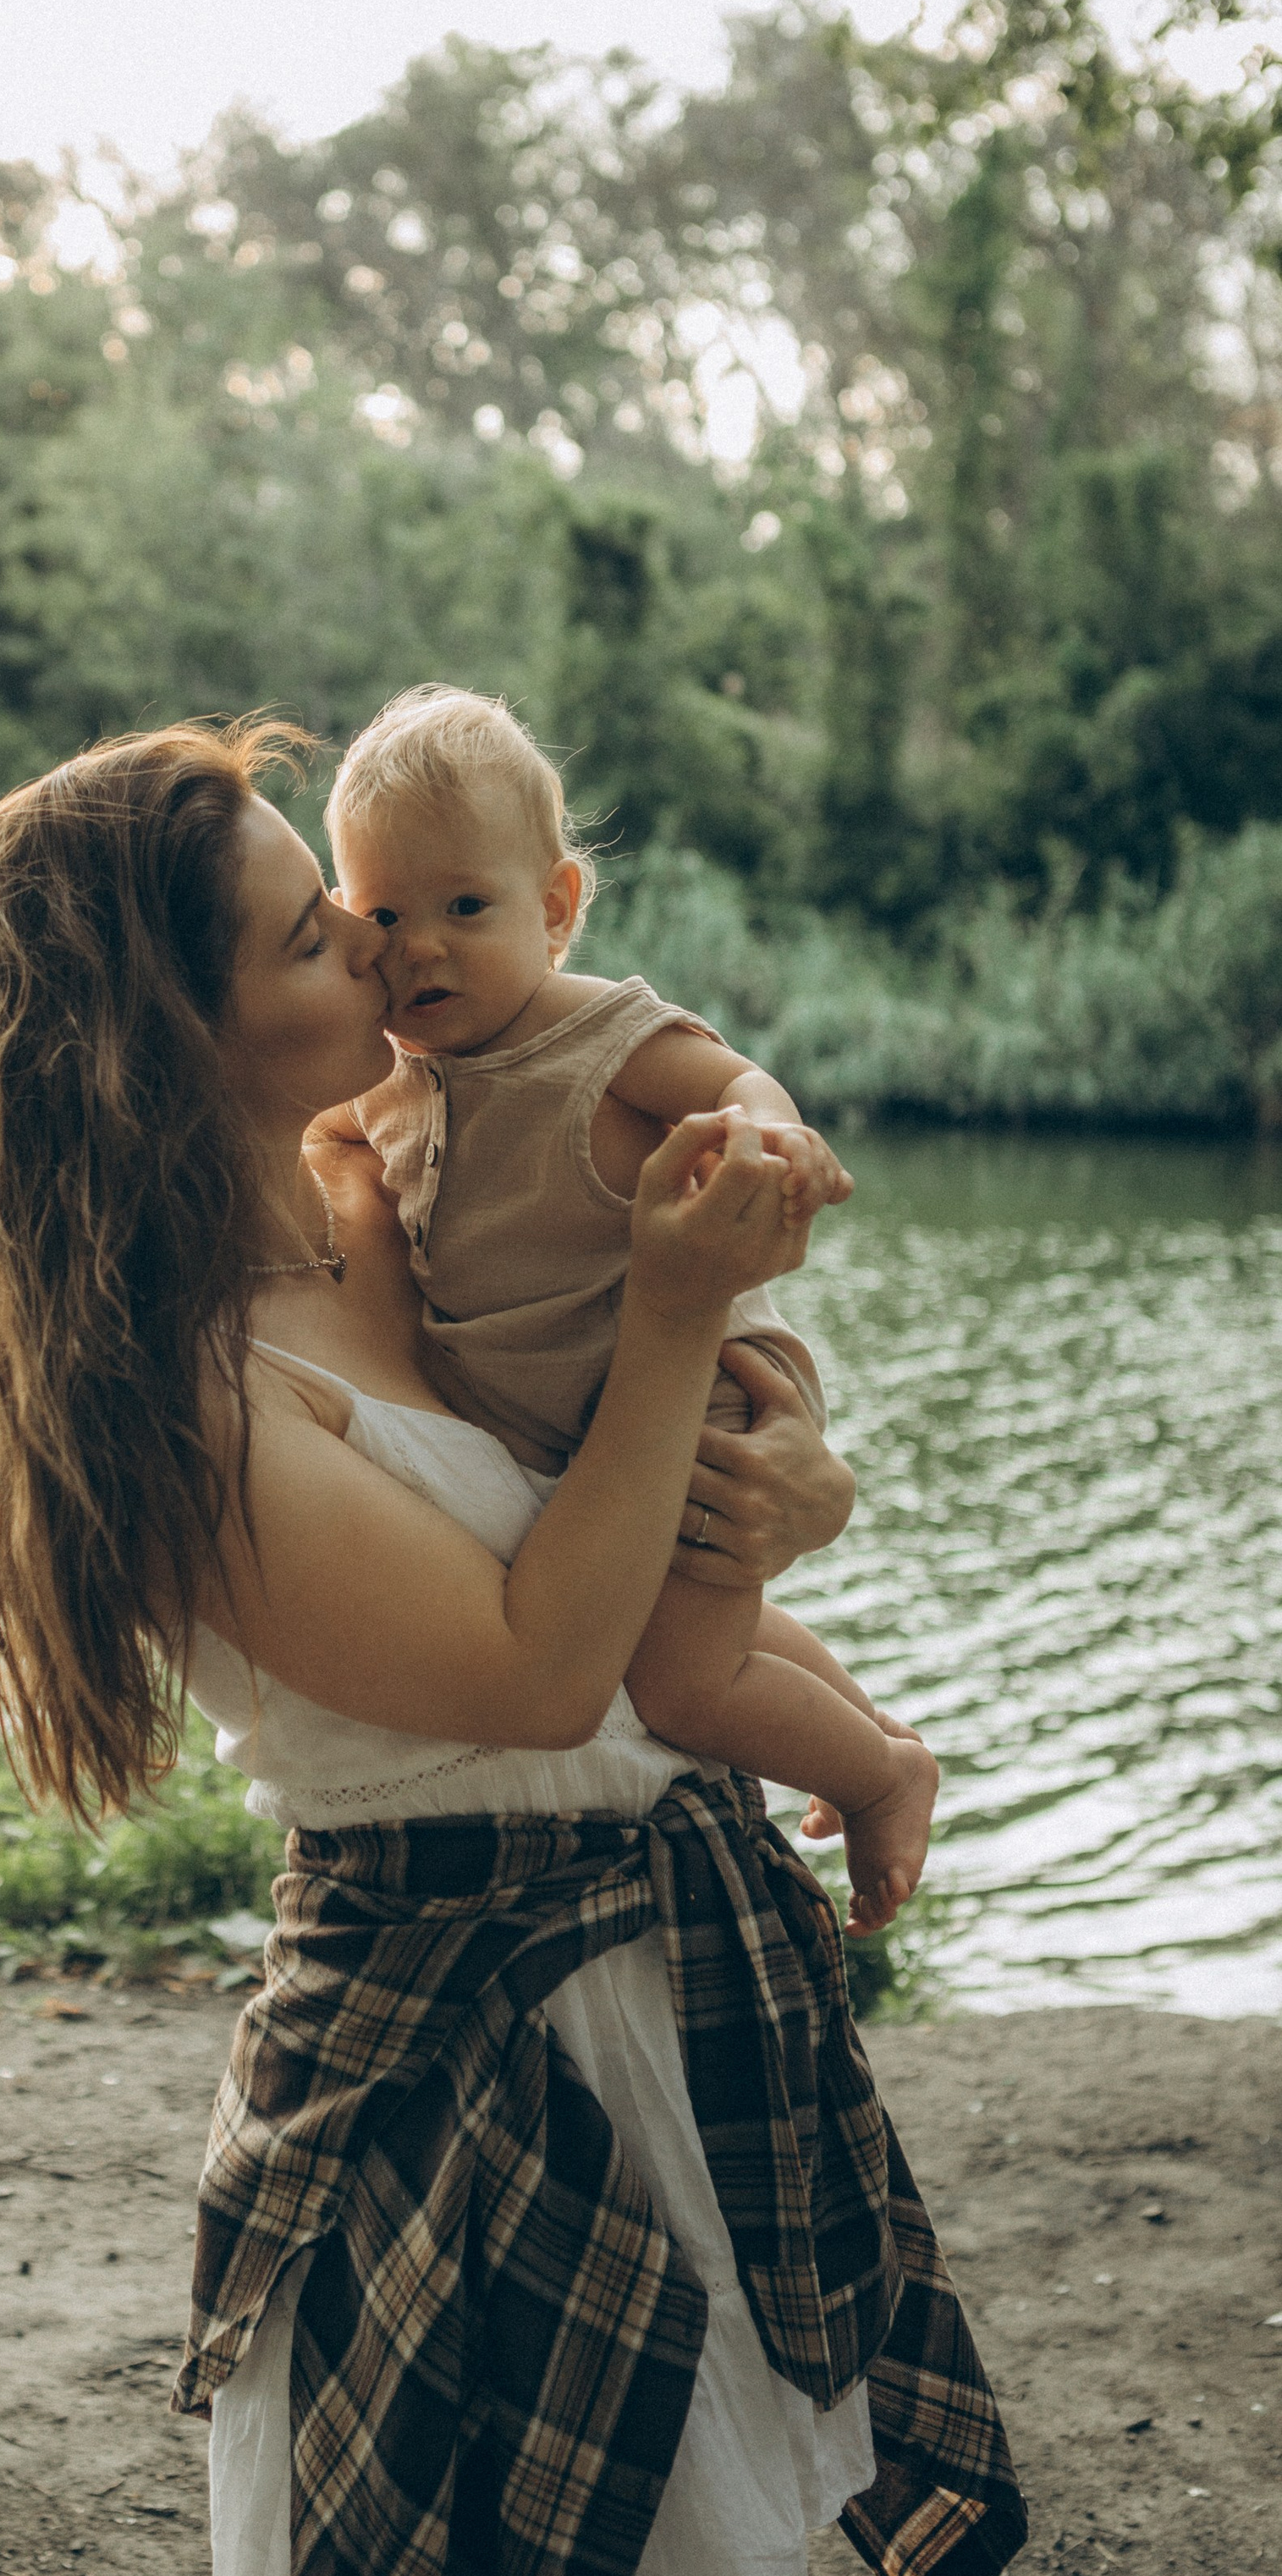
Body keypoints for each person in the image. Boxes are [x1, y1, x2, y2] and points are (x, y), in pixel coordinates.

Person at [0, 721, 1025, 2576]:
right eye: (298, 928)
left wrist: (776, 1466)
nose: (364, 933)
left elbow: (597, 1547)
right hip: (436, 2052)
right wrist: (681, 1318)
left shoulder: (388, 1192)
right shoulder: (173, 1391)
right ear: (173, 1031)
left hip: (656, 1997)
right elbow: (536, 1669)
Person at [322, 684, 934, 1935]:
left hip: (705, 1393)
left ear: (555, 910)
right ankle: (874, 1733)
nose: (420, 946)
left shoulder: (590, 1034)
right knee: (708, 1625)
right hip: (589, 1430)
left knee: (682, 1685)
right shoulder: (386, 1090)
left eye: (465, 907)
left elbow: (732, 1077)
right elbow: (334, 1143)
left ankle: (878, 1775)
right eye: (382, 913)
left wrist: (773, 1135)